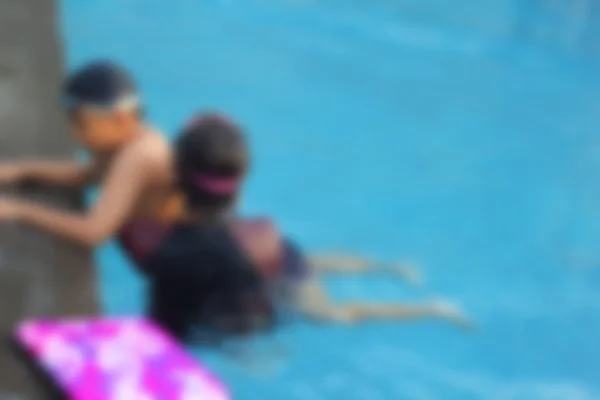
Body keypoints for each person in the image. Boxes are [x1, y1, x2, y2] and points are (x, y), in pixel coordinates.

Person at [147, 113, 472, 344]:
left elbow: (165, 327)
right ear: (241, 179)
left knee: (330, 314)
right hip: (274, 256)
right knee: (305, 266)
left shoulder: (169, 247)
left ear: (177, 175)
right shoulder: (254, 228)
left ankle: (433, 308)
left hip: (256, 274)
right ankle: (391, 268)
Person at [0, 60, 183, 267]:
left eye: (82, 125)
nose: (76, 136)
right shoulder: (127, 138)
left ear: (120, 118)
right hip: (163, 245)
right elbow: (88, 175)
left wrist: (20, 210)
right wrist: (21, 171)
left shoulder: (140, 156)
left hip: (188, 259)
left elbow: (94, 231)